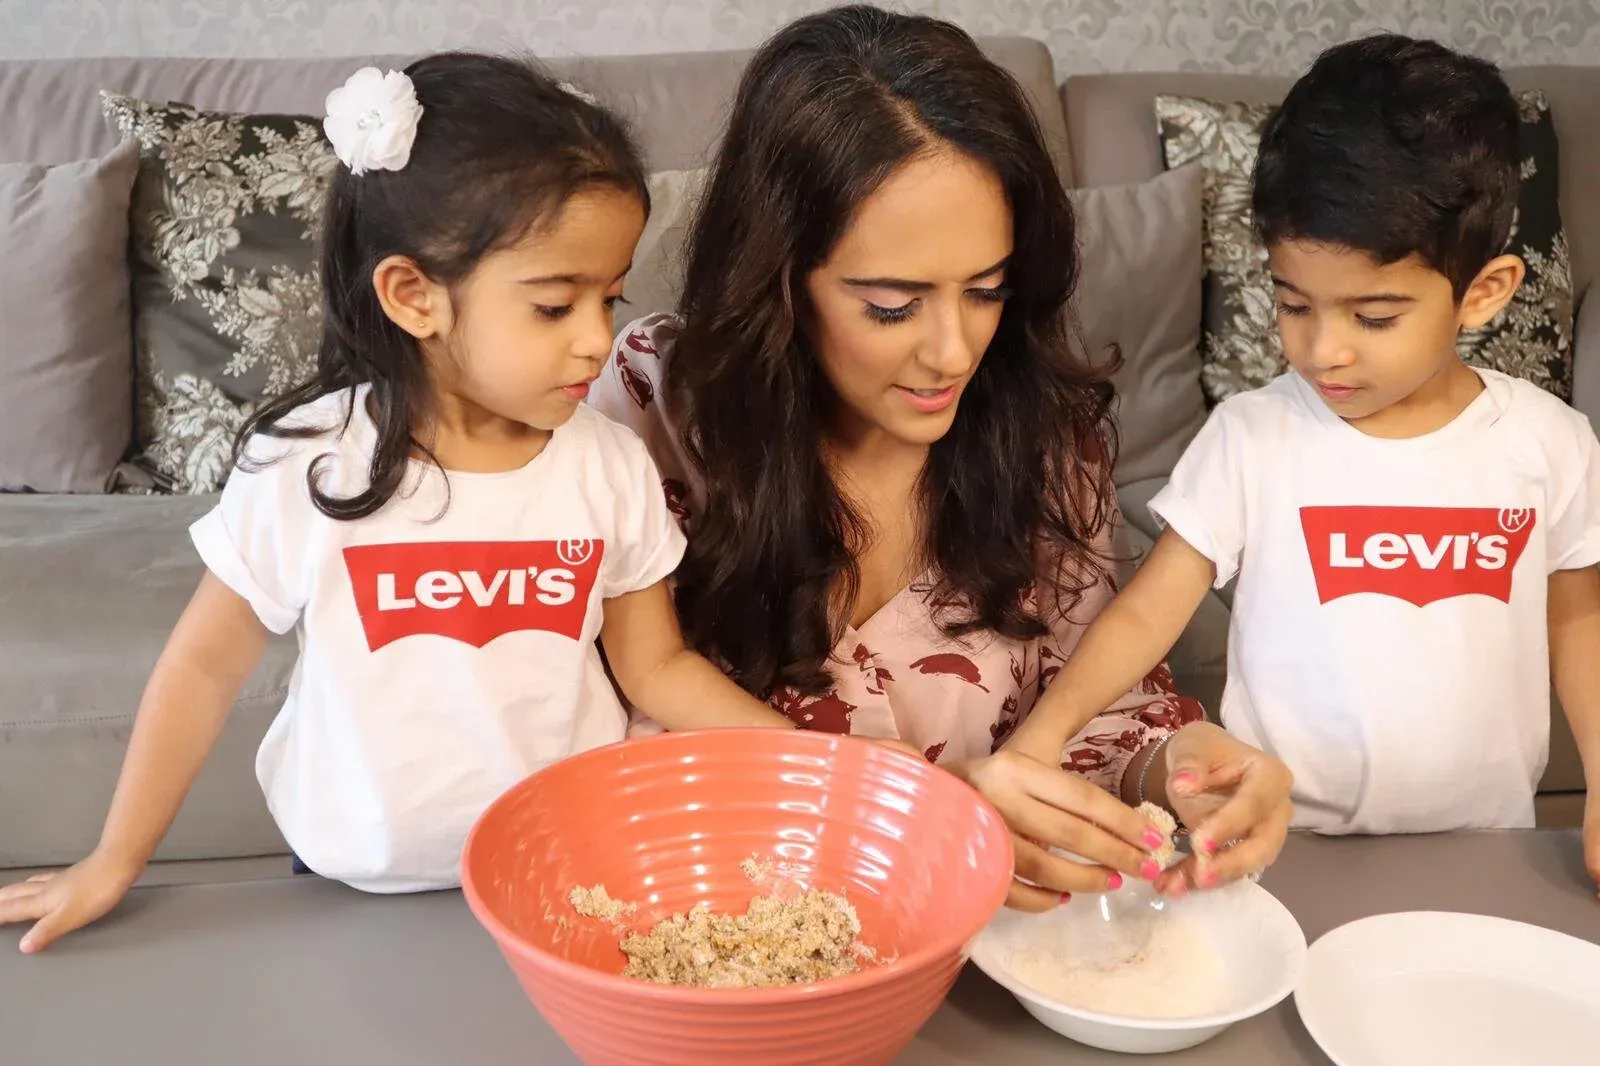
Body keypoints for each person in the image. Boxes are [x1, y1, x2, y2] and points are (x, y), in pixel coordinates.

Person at [0, 53, 802, 954]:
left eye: (610, 299)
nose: (595, 341)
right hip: (350, 880)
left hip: (562, 869)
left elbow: (657, 670)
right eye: (554, 306)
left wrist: (816, 762)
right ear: (414, 296)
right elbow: (202, 669)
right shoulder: (307, 461)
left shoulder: (608, 465)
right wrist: (115, 859)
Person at [590, 4, 1295, 913]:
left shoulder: (1041, 433)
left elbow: (1098, 710)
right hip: (736, 932)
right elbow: (612, 733)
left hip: (1001, 946)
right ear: (780, 278)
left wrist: (1185, 767)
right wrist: (918, 805)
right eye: (892, 306)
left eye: (987, 290)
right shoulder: (652, 408)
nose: (954, 352)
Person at [1009, 34, 1600, 896]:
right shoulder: (1254, 437)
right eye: (1294, 304)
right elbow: (1142, 617)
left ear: (1484, 292)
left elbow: (1578, 620)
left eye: (1374, 317)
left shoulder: (1549, 443)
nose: (1324, 351)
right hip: (1277, 843)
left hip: (1483, 843)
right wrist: (1042, 736)